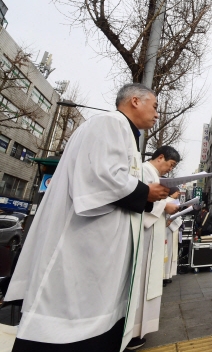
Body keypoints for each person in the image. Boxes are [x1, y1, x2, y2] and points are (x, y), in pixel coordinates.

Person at [5, 83, 169, 352]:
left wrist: (146, 194)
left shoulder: (122, 132)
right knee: (69, 322)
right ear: (136, 101)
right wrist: (144, 191)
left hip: (99, 248)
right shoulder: (110, 123)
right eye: (155, 106)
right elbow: (100, 177)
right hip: (82, 244)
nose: (157, 114)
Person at [129, 146, 180, 350]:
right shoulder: (143, 171)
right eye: (171, 164)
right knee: (140, 284)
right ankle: (132, 332)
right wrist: (165, 205)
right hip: (144, 240)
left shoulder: (152, 173)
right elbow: (141, 199)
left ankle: (139, 329)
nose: (170, 169)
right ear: (160, 157)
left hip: (152, 237)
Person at [164, 187, 182, 286]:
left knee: (170, 252)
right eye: (177, 192)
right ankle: (165, 275)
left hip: (171, 230)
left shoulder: (173, 201)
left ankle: (167, 275)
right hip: (168, 229)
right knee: (166, 252)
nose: (178, 193)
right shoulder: (168, 201)